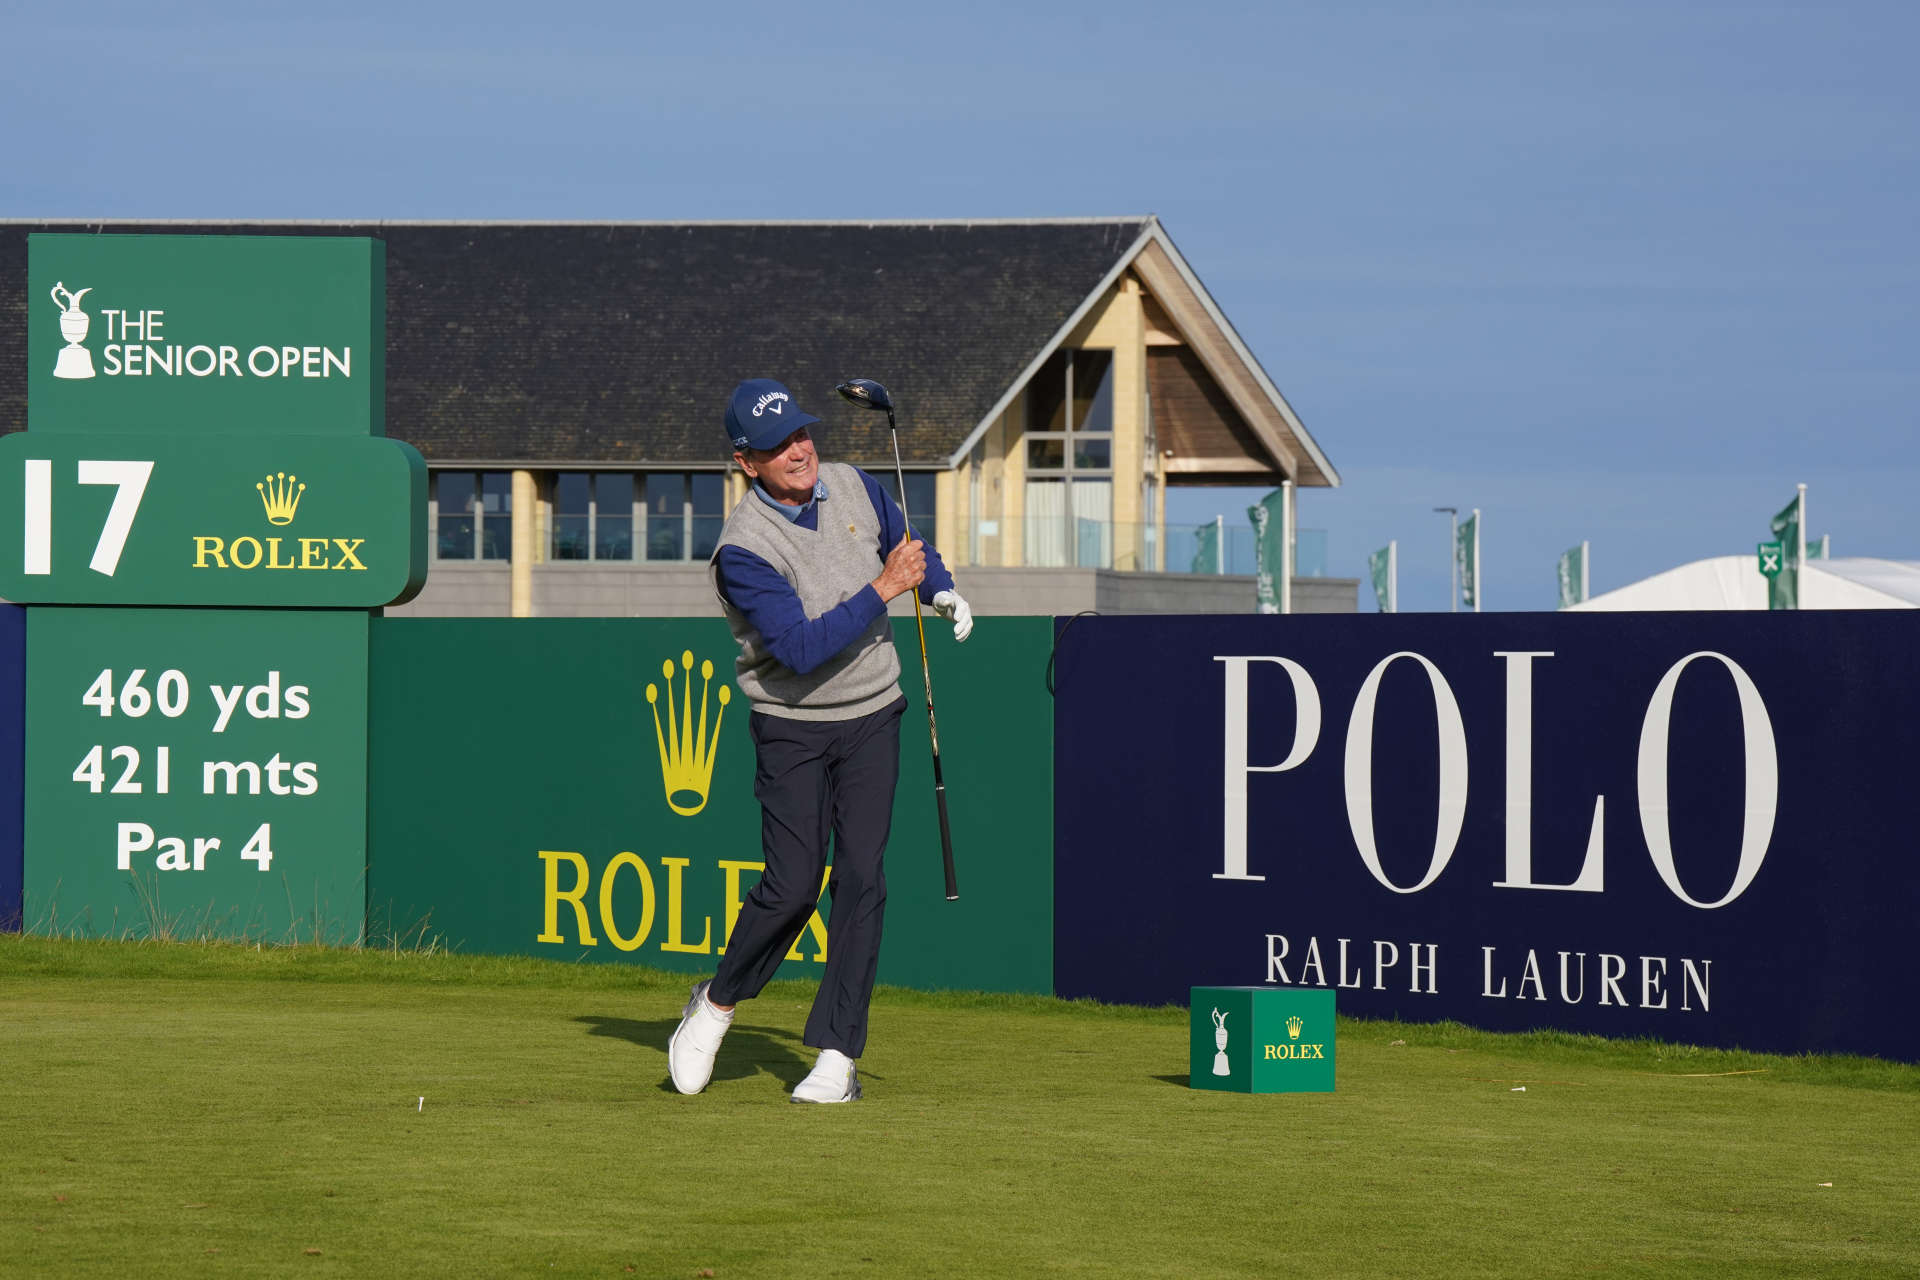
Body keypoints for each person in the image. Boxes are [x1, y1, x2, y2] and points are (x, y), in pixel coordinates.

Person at [667, 378, 973, 1103]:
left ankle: (838, 1056)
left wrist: (940, 588)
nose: (800, 450)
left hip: (873, 713)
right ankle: (715, 1005)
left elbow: (907, 547)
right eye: (778, 446)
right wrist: (887, 589)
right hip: (792, 727)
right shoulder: (743, 551)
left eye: (802, 433)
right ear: (748, 463)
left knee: (862, 878)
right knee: (792, 885)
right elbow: (801, 649)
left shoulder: (855, 484)